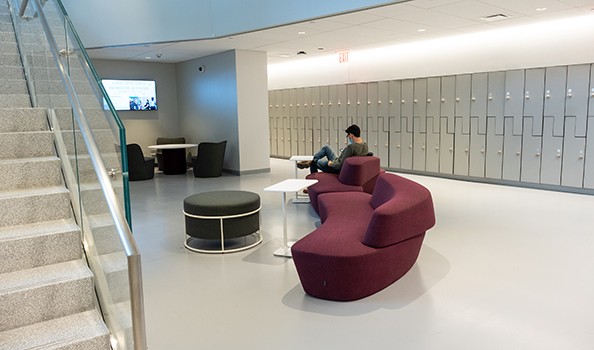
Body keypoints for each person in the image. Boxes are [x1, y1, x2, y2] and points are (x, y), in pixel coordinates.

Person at [297, 124, 368, 174]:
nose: (348, 137)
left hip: (336, 167)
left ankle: (311, 185)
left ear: (351, 135)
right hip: (338, 160)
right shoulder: (365, 145)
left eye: (348, 135)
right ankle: (311, 160)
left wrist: (331, 164)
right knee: (326, 148)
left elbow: (339, 165)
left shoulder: (351, 147)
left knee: (314, 163)